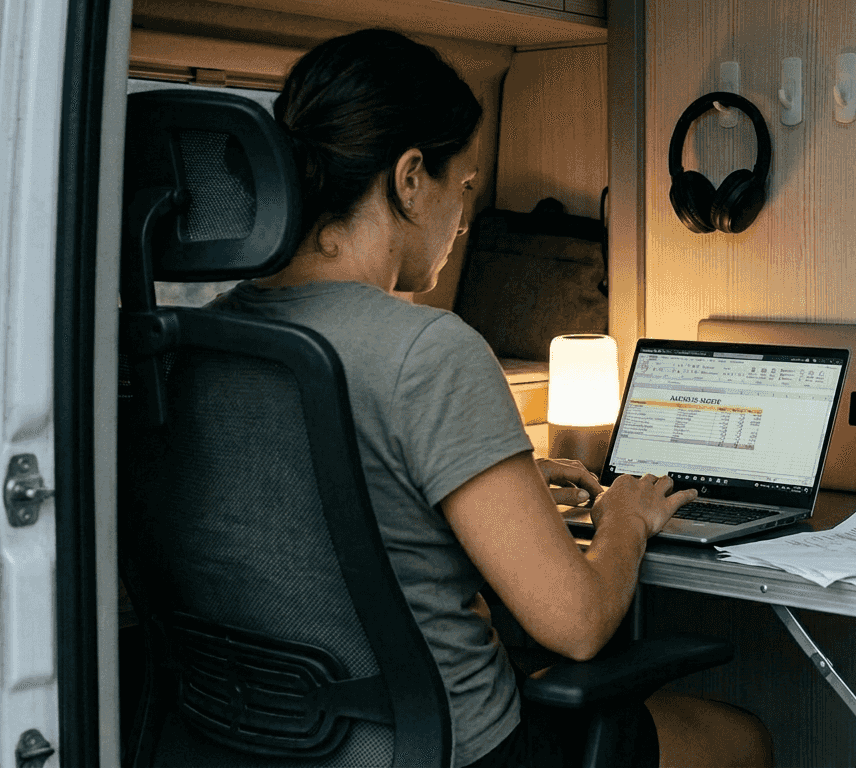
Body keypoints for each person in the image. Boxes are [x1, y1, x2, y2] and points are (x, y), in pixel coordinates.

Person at [209, 28, 773, 768]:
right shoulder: (429, 351)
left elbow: (314, 495)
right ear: (410, 179)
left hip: (257, 738)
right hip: (454, 747)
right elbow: (576, 624)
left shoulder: (210, 333)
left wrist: (474, 484)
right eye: (463, 188)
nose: (464, 218)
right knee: (742, 739)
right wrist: (625, 520)